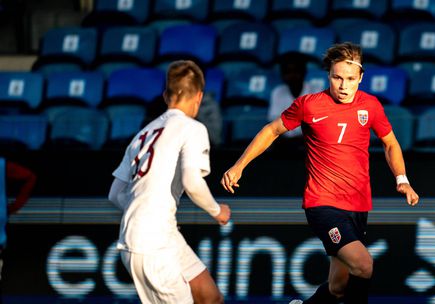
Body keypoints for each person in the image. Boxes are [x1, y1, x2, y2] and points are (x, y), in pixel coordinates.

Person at [221, 42, 419, 304]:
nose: (343, 85)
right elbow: (272, 130)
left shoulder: (370, 106)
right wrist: (239, 165)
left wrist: (402, 179)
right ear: (329, 76)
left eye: (350, 79)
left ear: (360, 77)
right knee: (364, 265)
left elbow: (390, 142)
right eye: (337, 77)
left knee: (338, 287)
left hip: (358, 205)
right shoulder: (309, 105)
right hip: (323, 204)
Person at [108, 60, 230, 304]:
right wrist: (217, 211)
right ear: (199, 96)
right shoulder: (192, 128)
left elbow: (114, 194)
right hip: (153, 245)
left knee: (209, 296)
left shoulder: (142, 134)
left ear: (166, 95)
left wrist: (145, 211)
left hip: (154, 235)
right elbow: (192, 181)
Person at [268, 52, 319, 140]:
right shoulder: (277, 92)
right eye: (287, 72)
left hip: (309, 142)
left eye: (296, 71)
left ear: (304, 72)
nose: (292, 76)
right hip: (285, 143)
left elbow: (318, 126)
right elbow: (274, 125)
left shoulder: (316, 92)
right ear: (282, 75)